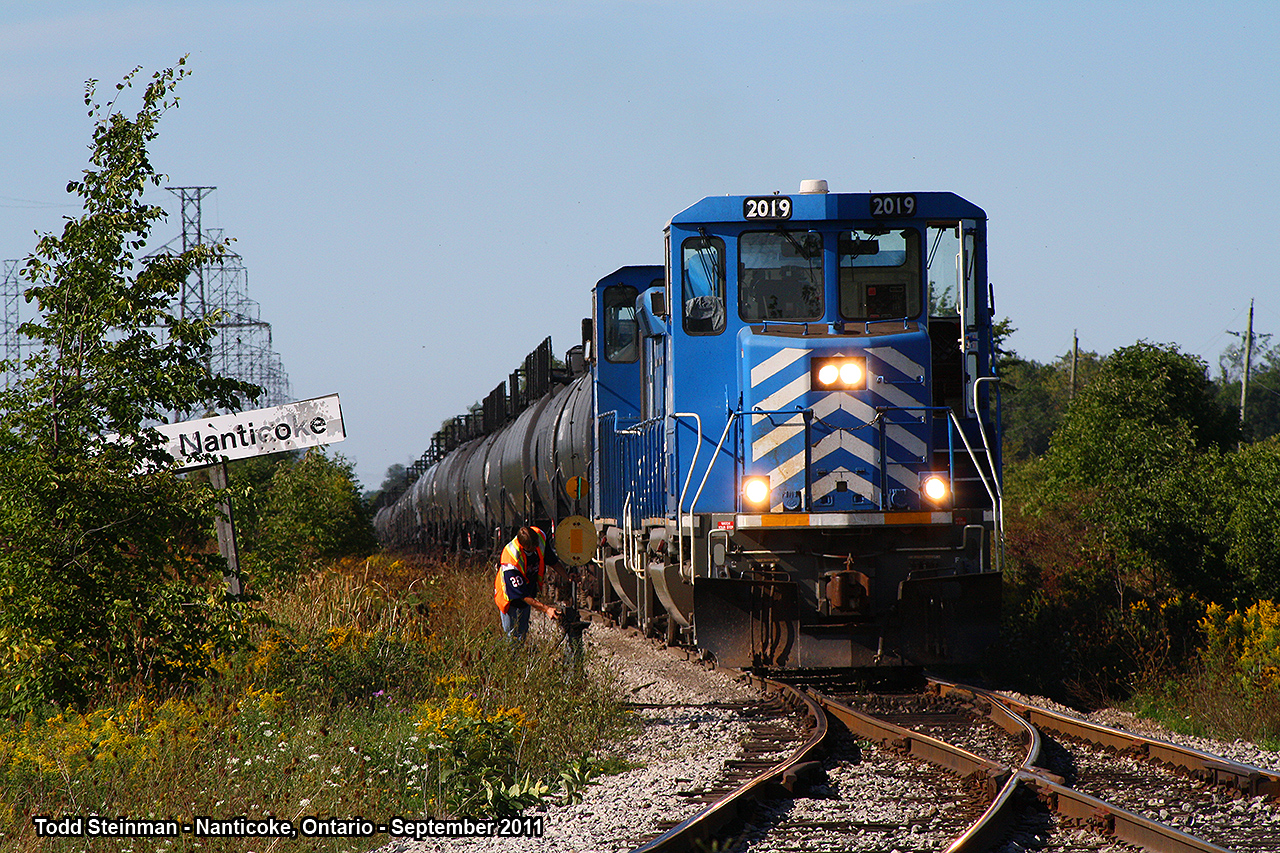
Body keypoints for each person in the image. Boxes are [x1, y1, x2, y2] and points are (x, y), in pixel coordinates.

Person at [493, 525, 571, 642]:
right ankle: (505, 656)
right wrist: (547, 609)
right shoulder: (511, 559)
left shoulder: (539, 537)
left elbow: (552, 562)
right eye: (532, 549)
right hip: (509, 595)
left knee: (522, 633)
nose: (536, 549)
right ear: (524, 546)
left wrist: (568, 577)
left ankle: (518, 654)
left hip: (527, 589)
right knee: (511, 636)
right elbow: (522, 595)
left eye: (536, 546)